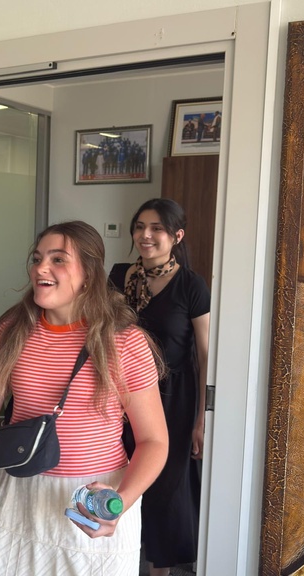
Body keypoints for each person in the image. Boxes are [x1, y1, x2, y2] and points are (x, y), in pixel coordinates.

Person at [0, 220, 169, 575]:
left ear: (88, 273)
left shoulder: (125, 342)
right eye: (38, 258)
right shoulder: (12, 330)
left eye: (58, 259)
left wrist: (120, 502)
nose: (41, 267)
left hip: (92, 500)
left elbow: (153, 441)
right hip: (18, 498)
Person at [108, 198, 211, 576]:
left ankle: (159, 570)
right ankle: (116, 559)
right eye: (139, 227)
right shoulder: (119, 277)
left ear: (176, 236)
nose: (145, 235)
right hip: (123, 395)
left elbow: (203, 355)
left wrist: (201, 419)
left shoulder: (191, 285)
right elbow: (106, 335)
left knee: (165, 489)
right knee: (120, 477)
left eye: (156, 229)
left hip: (175, 400)